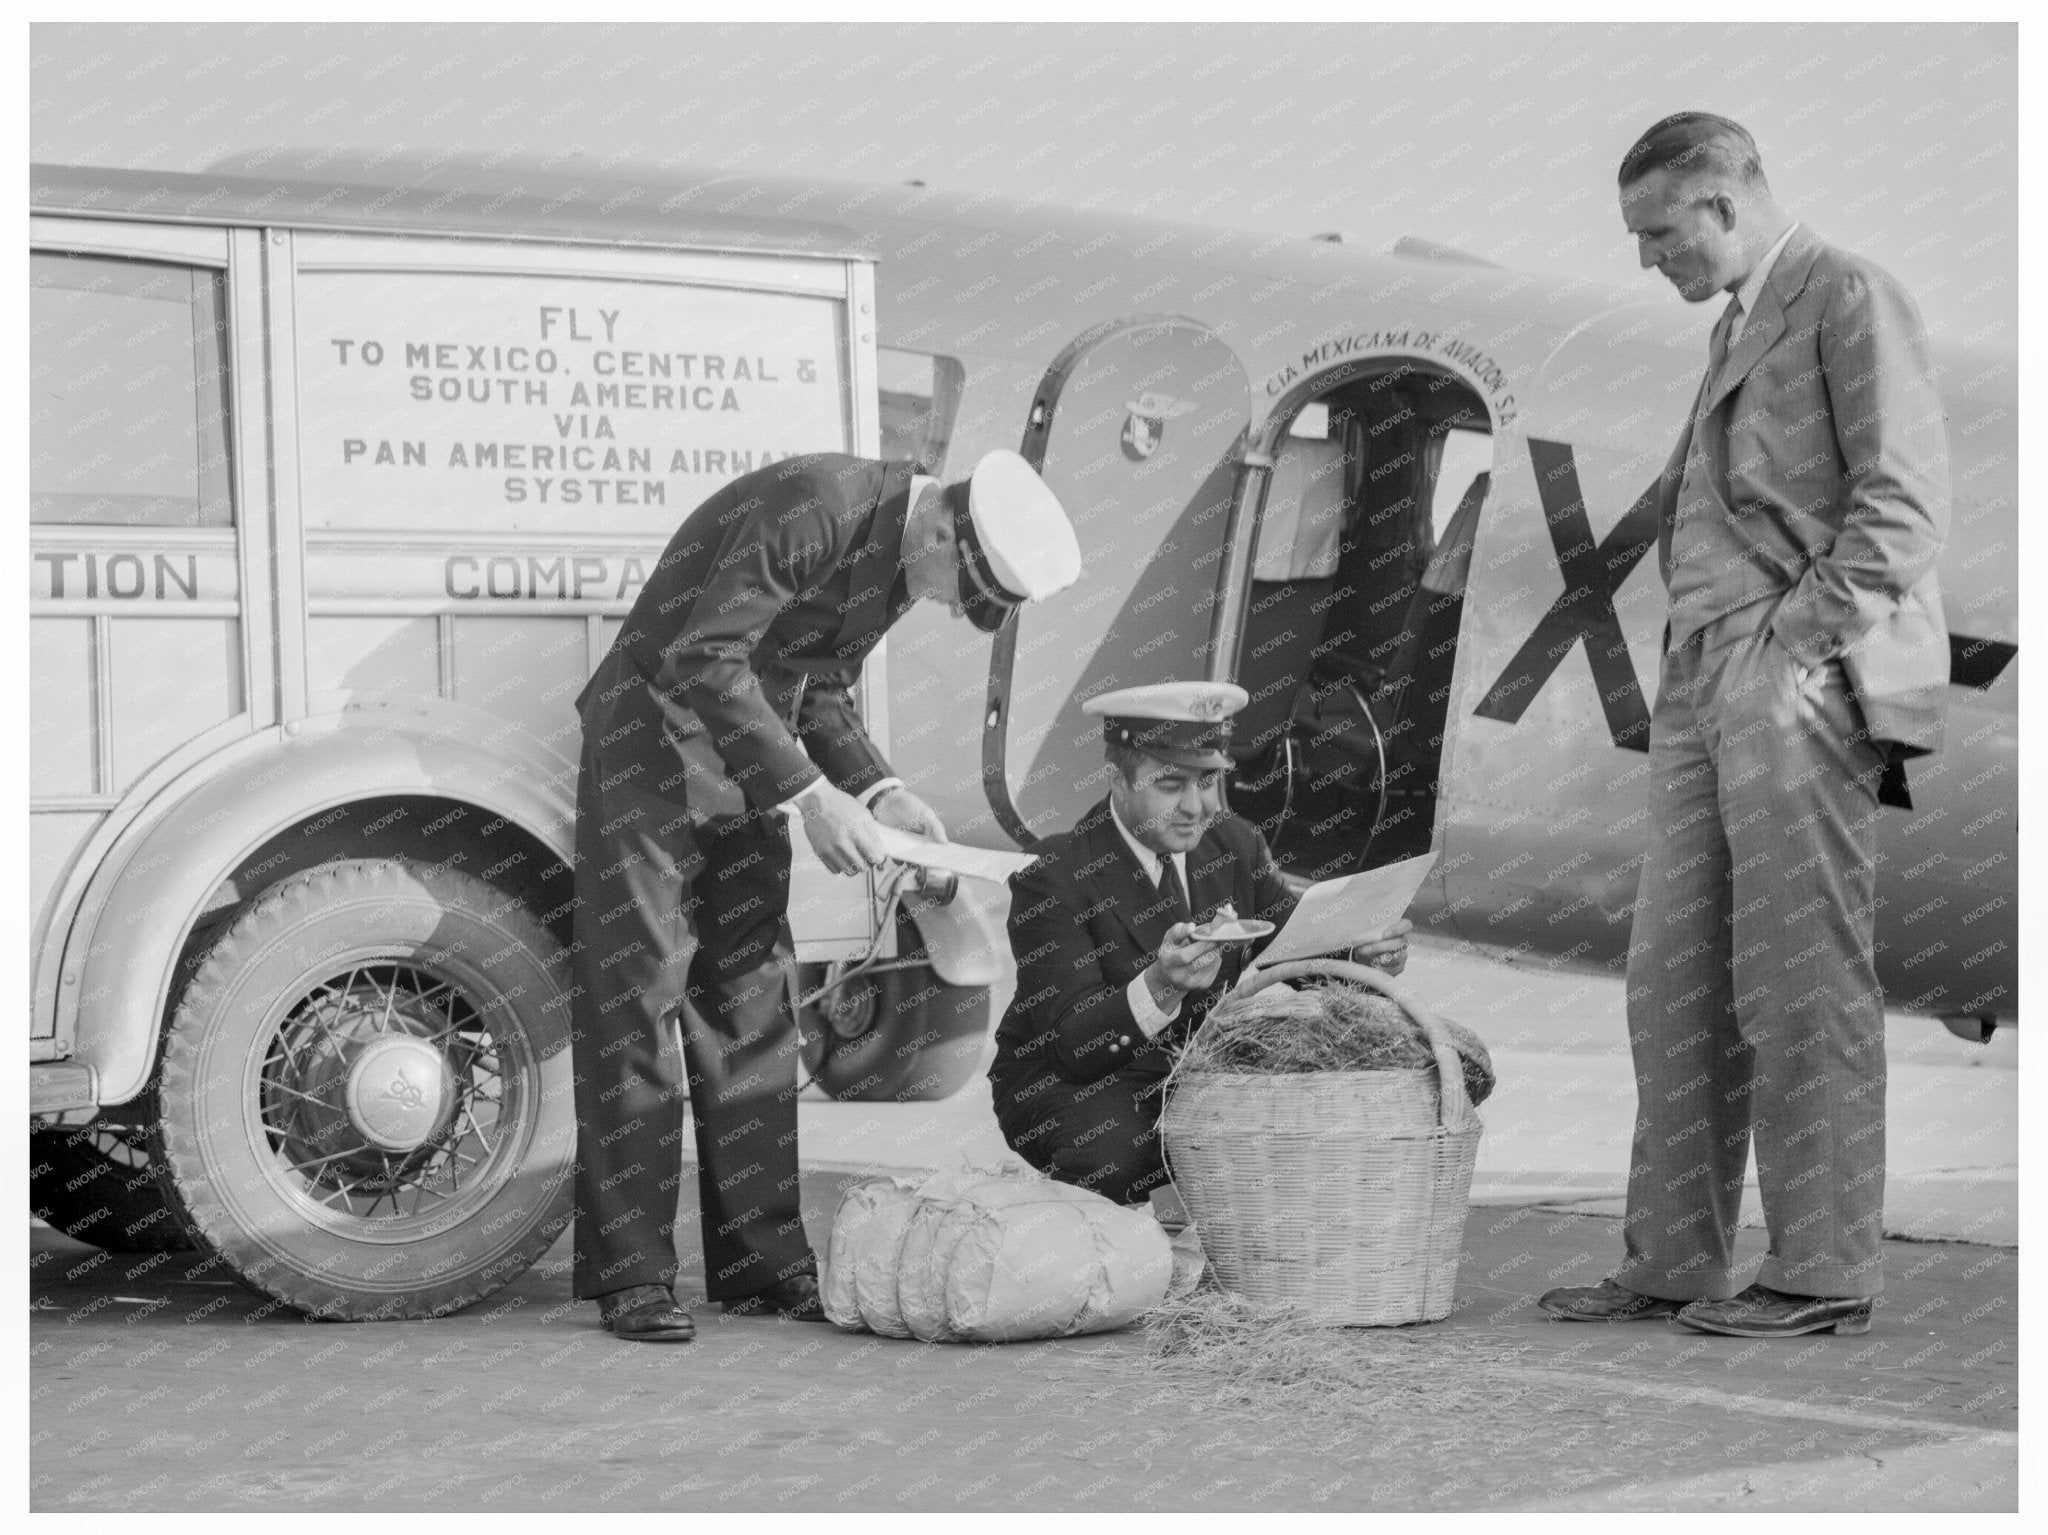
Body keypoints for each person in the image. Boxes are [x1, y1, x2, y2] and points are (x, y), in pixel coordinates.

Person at [1539, 113, 1950, 1338]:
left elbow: (1905, 504)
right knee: (1671, 979)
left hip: (1791, 677)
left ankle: (1820, 1269)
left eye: (1657, 232)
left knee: (1796, 981)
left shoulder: (1847, 295)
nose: (1645, 257)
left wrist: (1790, 648)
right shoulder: (1734, 321)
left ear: (1719, 204)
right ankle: (1670, 1259)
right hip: (1701, 680)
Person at [572, 448, 1081, 1341]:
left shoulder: (900, 546)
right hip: (651, 741)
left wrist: (881, 791)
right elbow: (704, 653)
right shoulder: (814, 507)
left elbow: (820, 683)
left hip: (743, 755)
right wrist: (811, 796)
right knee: (639, 994)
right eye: (951, 588)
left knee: (753, 1000)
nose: (938, 603)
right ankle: (634, 1273)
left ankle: (762, 1265)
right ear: (937, 529)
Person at [989, 681, 1411, 1209]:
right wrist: (1160, 986)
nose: (1198, 806)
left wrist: (1361, 953)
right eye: (1171, 785)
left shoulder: (1233, 842)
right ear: (1117, 779)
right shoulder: (1056, 876)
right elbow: (1071, 1045)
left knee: (1325, 1111)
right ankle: (1107, 1237)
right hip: (1075, 1079)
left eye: (1209, 780)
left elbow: (1292, 949)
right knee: (1116, 1151)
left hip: (1192, 1070)